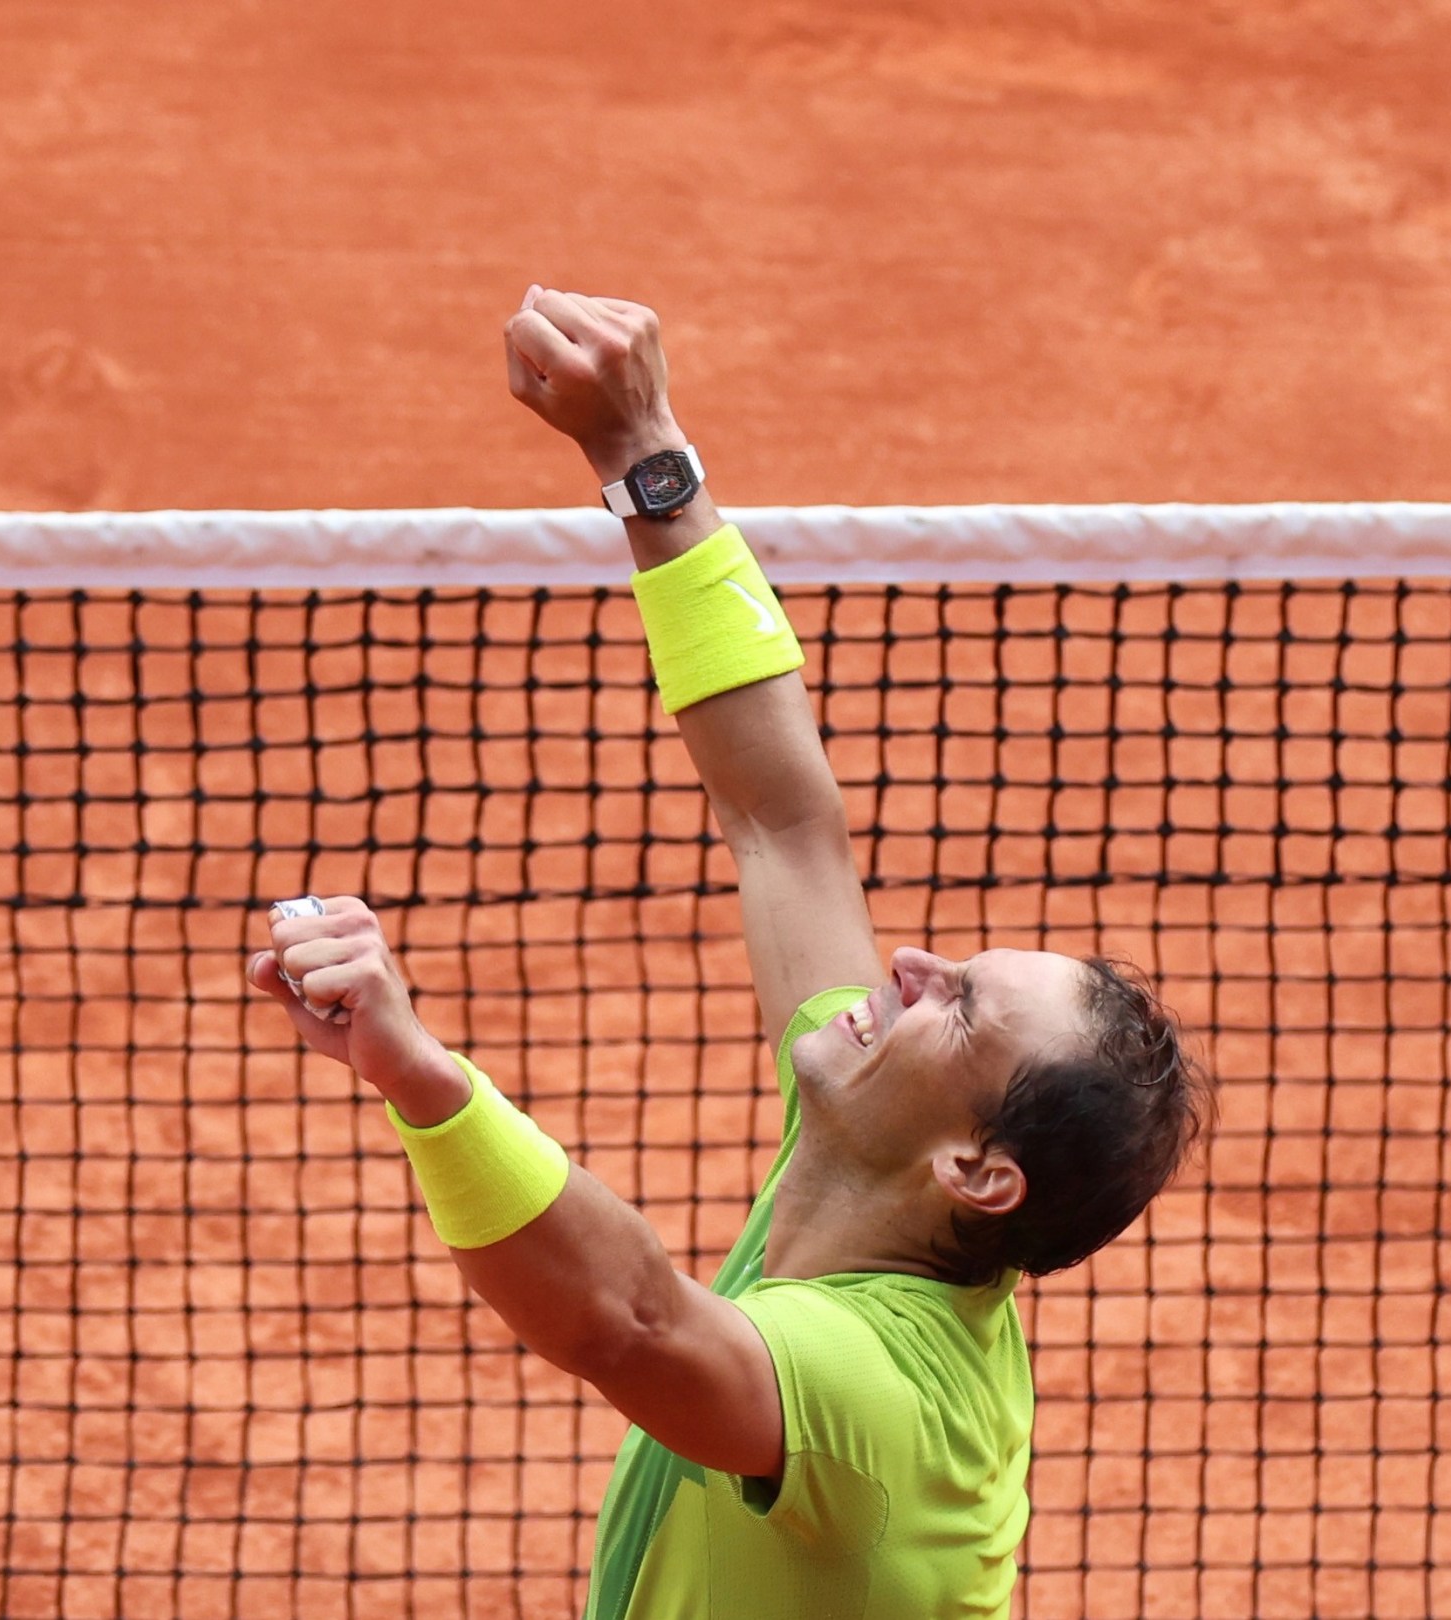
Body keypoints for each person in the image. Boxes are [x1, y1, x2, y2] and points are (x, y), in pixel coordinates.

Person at [248, 286, 1213, 1620]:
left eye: (962, 1007)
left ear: (976, 1173)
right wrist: (643, 457)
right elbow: (784, 821)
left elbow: (629, 1322)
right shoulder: (873, 1166)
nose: (912, 964)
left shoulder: (875, 1397)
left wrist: (418, 1073)